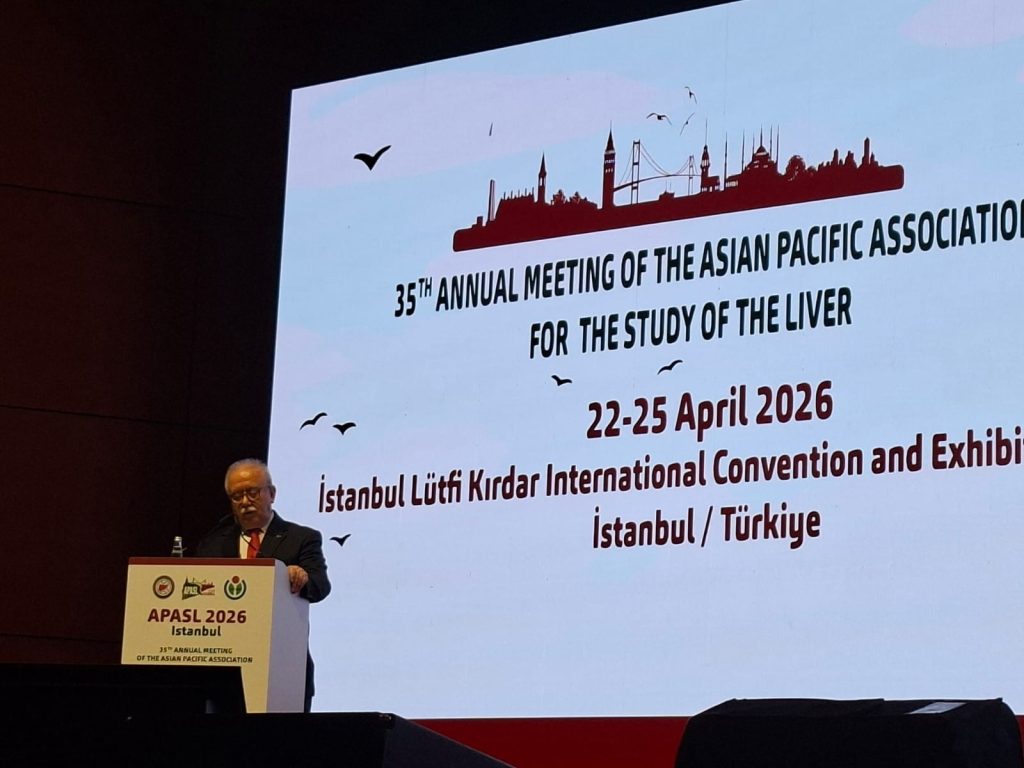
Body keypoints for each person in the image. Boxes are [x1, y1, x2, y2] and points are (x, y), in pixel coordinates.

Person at [194, 458, 331, 711]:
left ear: (272, 494)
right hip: (224, 671)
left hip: (283, 668)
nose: (245, 502)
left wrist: (301, 578)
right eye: (237, 496)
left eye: (253, 493)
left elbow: (321, 586)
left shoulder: (301, 538)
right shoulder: (212, 544)